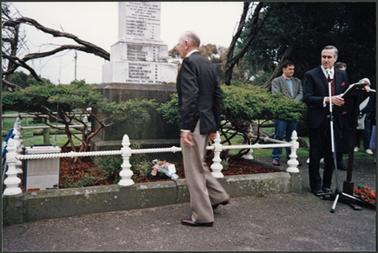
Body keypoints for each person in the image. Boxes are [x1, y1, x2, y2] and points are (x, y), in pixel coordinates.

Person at [175, 31, 230, 227]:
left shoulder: (189, 63)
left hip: (195, 123)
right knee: (199, 164)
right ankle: (218, 195)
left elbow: (190, 97)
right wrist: (214, 125)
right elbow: (218, 96)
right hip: (206, 122)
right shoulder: (208, 63)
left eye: (179, 43)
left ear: (187, 44)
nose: (177, 47)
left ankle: (203, 216)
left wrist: (185, 128)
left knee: (193, 171)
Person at [303, 45, 350, 197]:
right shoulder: (311, 75)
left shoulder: (341, 75)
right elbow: (307, 98)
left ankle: (327, 185)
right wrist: (328, 99)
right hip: (317, 120)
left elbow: (347, 94)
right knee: (315, 154)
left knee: (332, 154)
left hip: (335, 120)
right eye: (324, 57)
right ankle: (316, 186)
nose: (326, 60)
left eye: (329, 57)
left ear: (335, 58)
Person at [271, 60, 303, 166]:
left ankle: (291, 156)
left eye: (293, 69)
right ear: (283, 69)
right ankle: (276, 157)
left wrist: (294, 103)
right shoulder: (276, 81)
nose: (292, 71)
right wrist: (289, 104)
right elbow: (276, 95)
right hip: (281, 113)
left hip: (294, 112)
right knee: (279, 135)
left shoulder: (297, 81)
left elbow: (301, 93)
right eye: (290, 69)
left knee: (292, 136)